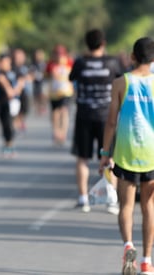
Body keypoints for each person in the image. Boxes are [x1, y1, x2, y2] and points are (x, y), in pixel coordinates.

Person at [99, 37, 154, 275]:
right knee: (149, 206)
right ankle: (146, 260)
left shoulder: (121, 82)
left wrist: (104, 152)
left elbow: (111, 120)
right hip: (152, 152)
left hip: (126, 151)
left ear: (132, 57)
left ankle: (128, 246)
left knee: (126, 205)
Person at [69, 29, 122, 213]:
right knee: (108, 156)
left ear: (87, 43)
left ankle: (83, 199)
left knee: (82, 158)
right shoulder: (112, 62)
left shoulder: (80, 62)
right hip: (107, 117)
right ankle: (111, 200)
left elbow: (72, 79)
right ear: (103, 43)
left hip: (84, 115)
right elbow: (120, 81)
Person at [0, 53, 24, 157]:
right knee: (5, 124)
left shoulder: (16, 71)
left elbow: (21, 82)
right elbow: (3, 82)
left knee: (11, 124)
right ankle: (8, 144)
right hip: (2, 102)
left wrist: (15, 91)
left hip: (14, 102)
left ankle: (10, 145)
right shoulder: (0, 73)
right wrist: (10, 91)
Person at [46, 44, 74, 146]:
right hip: (54, 92)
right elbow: (47, 76)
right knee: (55, 113)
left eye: (61, 55)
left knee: (64, 111)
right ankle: (56, 131)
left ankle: (63, 132)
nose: (59, 57)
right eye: (57, 55)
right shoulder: (50, 65)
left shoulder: (70, 63)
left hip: (66, 92)